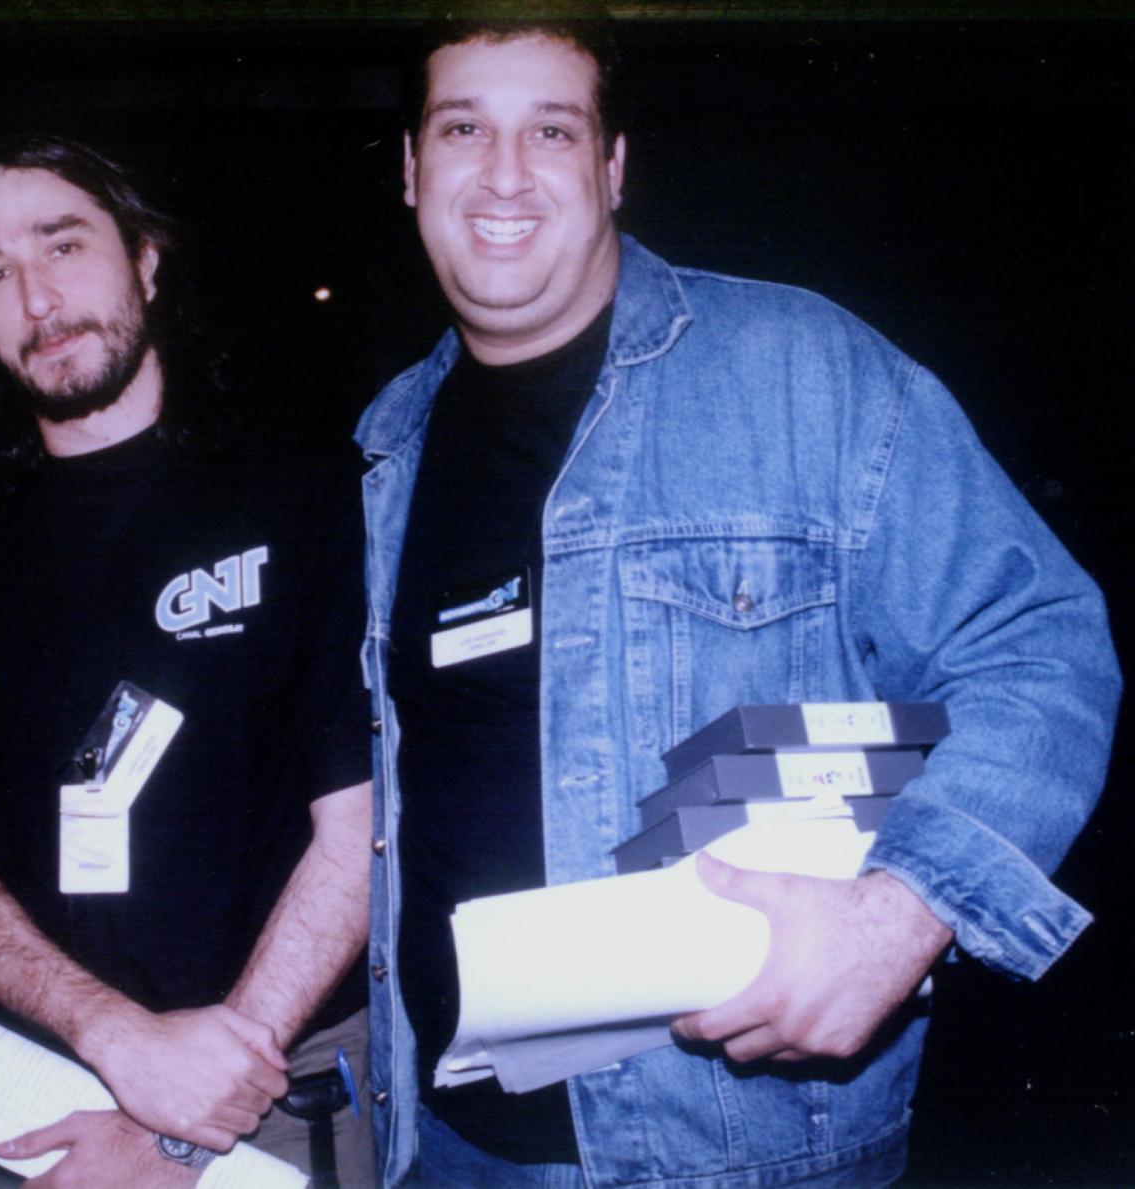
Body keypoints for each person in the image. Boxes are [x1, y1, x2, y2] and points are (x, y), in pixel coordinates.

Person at [356, 14, 1121, 1188]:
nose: (504, 174)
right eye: (464, 129)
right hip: (449, 1146)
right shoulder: (386, 448)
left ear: (612, 167)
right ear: (413, 170)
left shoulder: (802, 369)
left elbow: (1039, 643)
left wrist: (904, 907)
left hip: (740, 1154)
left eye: (551, 130)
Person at [0, 134, 374, 1187]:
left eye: (64, 244)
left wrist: (185, 1113)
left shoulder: (305, 490)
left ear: (146, 260)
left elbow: (359, 832)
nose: (38, 297)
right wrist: (116, 1037)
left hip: (275, 1093)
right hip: (33, 1106)